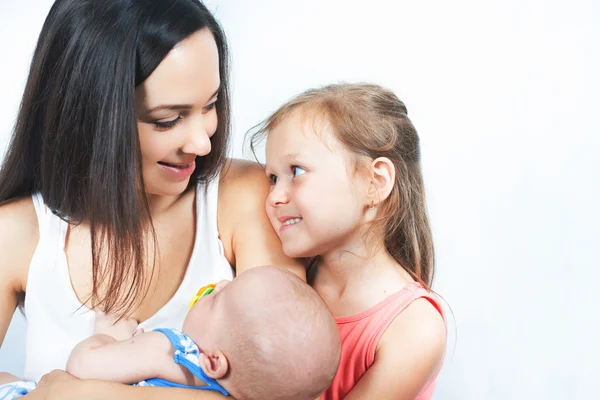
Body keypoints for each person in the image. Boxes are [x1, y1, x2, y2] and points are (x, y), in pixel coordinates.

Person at [0, 0, 305, 398]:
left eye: (210, 105)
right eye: (168, 119)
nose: (201, 141)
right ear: (90, 118)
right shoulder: (17, 233)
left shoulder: (244, 197)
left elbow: (291, 389)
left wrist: (70, 393)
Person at [251, 83, 447, 399]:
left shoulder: (414, 327)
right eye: (272, 178)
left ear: (375, 182)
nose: (274, 196)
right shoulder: (287, 275)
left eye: (296, 171)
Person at [0, 266, 341, 400]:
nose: (220, 283)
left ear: (213, 362)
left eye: (219, 298)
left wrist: (111, 334)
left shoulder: (173, 350)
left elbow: (83, 367)